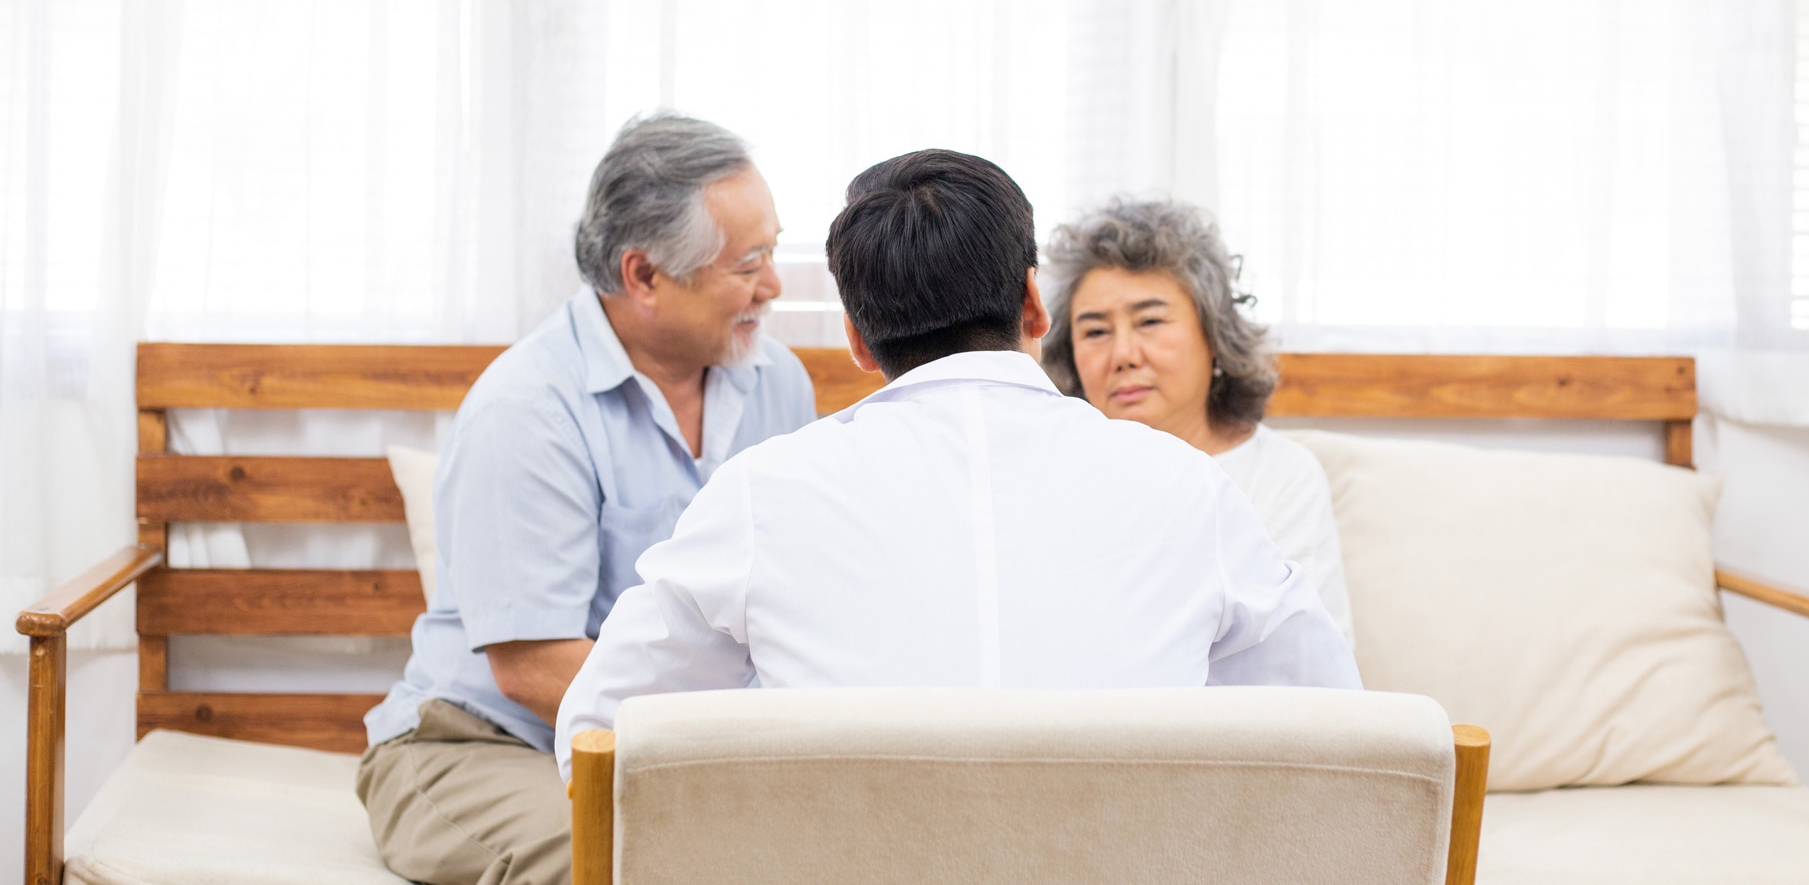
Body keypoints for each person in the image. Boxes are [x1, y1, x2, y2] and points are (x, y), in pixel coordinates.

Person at [555, 150, 1359, 779]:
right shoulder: (1186, 488)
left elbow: (598, 737)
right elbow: (1331, 724)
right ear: (1036, 306)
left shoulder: (763, 495)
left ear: (859, 341)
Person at [357, 113, 817, 885]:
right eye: (750, 262)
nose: (773, 286)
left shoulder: (779, 384)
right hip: (477, 746)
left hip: (661, 747)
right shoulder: (527, 408)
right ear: (644, 277)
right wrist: (721, 749)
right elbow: (532, 667)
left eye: (772, 250)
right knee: (631, 861)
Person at [1041, 198, 1354, 646]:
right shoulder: (1058, 476)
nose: (1124, 355)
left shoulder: (1282, 475)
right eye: (1095, 331)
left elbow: (1309, 663)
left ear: (1214, 334)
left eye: (1150, 321)